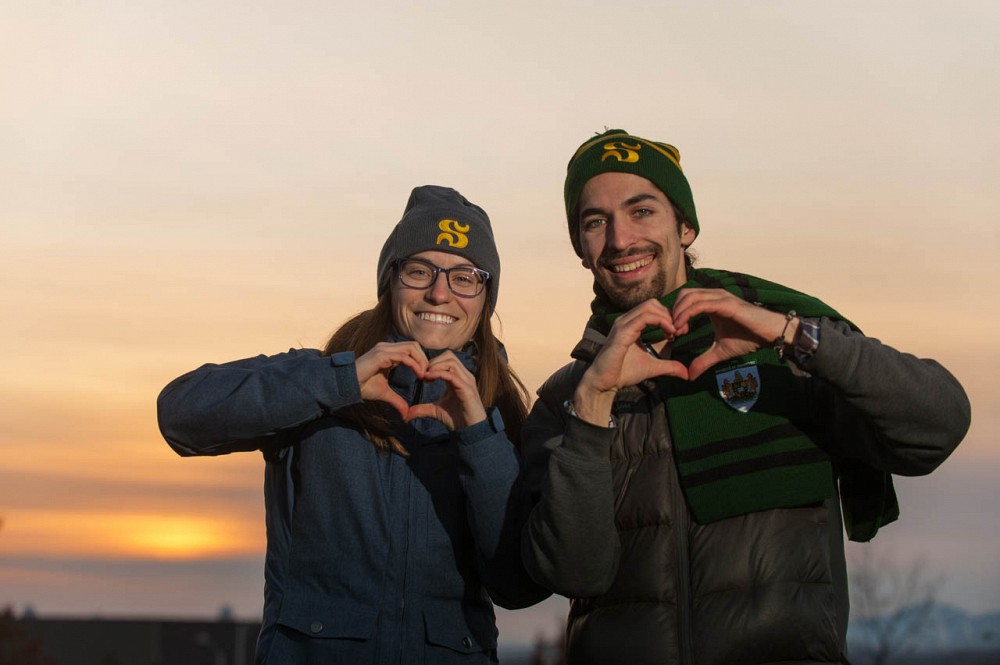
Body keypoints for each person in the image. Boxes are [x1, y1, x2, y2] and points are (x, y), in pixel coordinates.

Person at [519, 129, 971, 665]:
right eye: (596, 222)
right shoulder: (564, 399)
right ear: (581, 248)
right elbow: (574, 573)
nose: (620, 240)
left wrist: (793, 337)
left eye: (642, 211)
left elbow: (938, 427)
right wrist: (592, 405)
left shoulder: (787, 346)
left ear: (685, 226)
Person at [158, 185, 545, 664]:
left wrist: (477, 436)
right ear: (390, 282)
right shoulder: (318, 380)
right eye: (419, 270)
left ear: (485, 298)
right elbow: (179, 415)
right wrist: (340, 382)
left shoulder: (500, 414)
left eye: (466, 276)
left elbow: (516, 585)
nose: (440, 292)